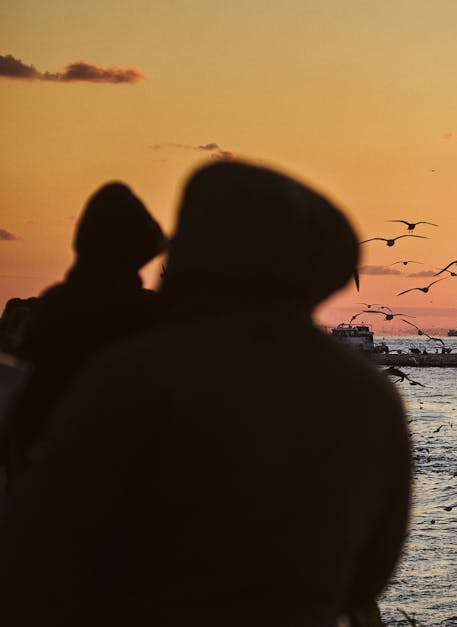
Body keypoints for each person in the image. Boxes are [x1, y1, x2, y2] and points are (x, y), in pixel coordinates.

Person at [0, 162, 413, 626]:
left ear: (192, 255)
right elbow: (371, 573)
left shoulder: (135, 374)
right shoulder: (370, 396)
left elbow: (37, 551)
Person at [0, 182, 165, 492]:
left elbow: (25, 396)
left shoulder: (55, 304)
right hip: (108, 481)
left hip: (40, 476)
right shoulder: (142, 313)